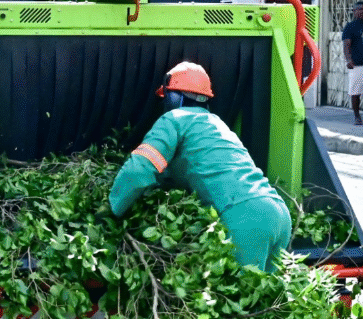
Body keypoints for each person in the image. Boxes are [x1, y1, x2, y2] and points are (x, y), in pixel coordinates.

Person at [108, 62, 292, 273]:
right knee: (271, 300)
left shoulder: (173, 119)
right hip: (277, 213)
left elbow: (139, 170)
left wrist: (112, 209)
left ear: (173, 97)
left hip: (245, 219)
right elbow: (188, 168)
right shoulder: (216, 124)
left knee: (237, 299)